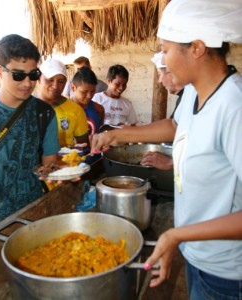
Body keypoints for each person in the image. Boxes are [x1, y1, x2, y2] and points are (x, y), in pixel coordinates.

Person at [90, 1, 242, 298]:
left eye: (166, 49)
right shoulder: (195, 93)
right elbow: (174, 128)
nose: (163, 60)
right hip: (198, 256)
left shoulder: (234, 106)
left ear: (196, 48)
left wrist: (175, 235)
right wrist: (118, 135)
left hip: (226, 272)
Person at [0, 34, 60, 237]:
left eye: (33, 75)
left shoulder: (44, 113)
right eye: (18, 75)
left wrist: (60, 170)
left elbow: (50, 164)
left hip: (32, 221)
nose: (27, 83)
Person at [141, 51, 185, 170]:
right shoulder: (186, 97)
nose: (160, 80)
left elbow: (173, 130)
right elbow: (173, 126)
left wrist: (171, 162)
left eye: (160, 73)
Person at [36, 58, 89, 148]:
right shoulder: (27, 108)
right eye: (50, 80)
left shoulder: (76, 110)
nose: (55, 86)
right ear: (39, 80)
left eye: (61, 81)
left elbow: (84, 146)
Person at [71, 66, 105, 135]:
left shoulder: (99, 109)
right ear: (73, 87)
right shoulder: (65, 109)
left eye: (92, 91)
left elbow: (98, 132)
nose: (89, 96)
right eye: (84, 92)